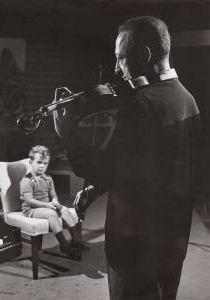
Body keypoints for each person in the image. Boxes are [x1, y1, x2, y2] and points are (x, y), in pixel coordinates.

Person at [53, 16, 201, 300]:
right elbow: (148, 169)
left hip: (135, 250)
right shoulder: (187, 99)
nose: (117, 69)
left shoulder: (140, 105)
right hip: (172, 243)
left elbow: (97, 168)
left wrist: (68, 133)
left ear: (144, 55)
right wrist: (99, 188)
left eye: (121, 58)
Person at [20, 145, 87, 261]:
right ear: (31, 162)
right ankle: (63, 245)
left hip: (47, 206)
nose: (42, 166)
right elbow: (29, 200)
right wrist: (47, 205)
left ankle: (76, 240)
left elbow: (53, 194)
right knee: (52, 214)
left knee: (65, 210)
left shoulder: (48, 178)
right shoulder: (27, 180)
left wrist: (55, 201)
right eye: (39, 162)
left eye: (45, 163)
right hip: (31, 209)